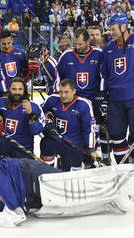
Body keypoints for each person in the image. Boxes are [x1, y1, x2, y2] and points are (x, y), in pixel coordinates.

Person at [0, 151, 134, 227]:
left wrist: (13, 209)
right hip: (29, 203)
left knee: (71, 183)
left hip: (28, 174)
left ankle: (117, 184)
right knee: (69, 207)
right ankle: (110, 199)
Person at [57, 27, 106, 165]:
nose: (77, 47)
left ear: (88, 41)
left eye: (80, 44)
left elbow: (104, 76)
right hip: (72, 101)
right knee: (72, 132)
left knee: (91, 131)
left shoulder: (99, 54)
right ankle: (68, 157)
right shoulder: (66, 55)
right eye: (75, 43)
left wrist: (102, 97)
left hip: (93, 101)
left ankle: (89, 160)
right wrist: (57, 95)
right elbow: (58, 78)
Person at [40, 78, 99, 171]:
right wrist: (46, 123)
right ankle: (47, 172)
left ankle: (66, 162)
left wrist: (91, 149)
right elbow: (38, 113)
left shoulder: (84, 104)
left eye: (66, 92)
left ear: (74, 91)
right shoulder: (52, 99)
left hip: (74, 145)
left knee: (71, 177)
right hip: (56, 139)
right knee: (47, 143)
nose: (63, 95)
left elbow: (89, 128)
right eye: (61, 92)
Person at [100, 13, 134, 164]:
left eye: (113, 29)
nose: (111, 33)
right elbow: (104, 75)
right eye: (110, 30)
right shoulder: (107, 50)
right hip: (115, 101)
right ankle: (124, 168)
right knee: (116, 136)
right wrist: (104, 96)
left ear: (124, 27)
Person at [0, 77, 45, 158]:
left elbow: (36, 130)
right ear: (9, 89)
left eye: (20, 89)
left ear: (24, 90)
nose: (17, 92)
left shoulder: (34, 107)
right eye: (14, 89)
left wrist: (31, 114)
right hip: (4, 145)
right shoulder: (0, 103)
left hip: (23, 148)